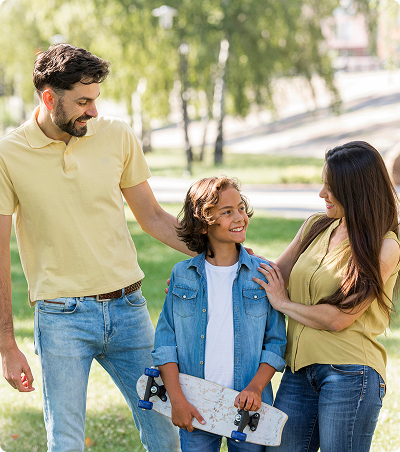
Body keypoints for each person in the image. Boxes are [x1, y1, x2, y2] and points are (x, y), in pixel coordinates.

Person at [0, 43, 192, 452]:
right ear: (49, 99)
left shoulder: (116, 134)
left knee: (166, 436)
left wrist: (221, 253)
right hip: (61, 319)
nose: (93, 110)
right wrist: (7, 345)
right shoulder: (9, 154)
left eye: (96, 99)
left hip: (129, 310)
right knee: (66, 443)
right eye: (83, 102)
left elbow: (153, 217)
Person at [253, 141, 400, 452]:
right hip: (298, 370)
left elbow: (338, 318)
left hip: (350, 373)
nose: (322, 194)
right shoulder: (316, 226)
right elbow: (272, 275)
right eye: (323, 183)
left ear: (356, 190)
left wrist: (283, 304)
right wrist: (203, 278)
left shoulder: (386, 246)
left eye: (331, 188)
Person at [151, 176, 287, 452]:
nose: (239, 217)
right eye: (227, 212)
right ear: (203, 224)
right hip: (195, 403)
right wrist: (177, 400)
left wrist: (256, 388)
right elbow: (165, 344)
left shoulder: (262, 275)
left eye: (240, 208)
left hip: (249, 408)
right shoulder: (182, 275)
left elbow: (276, 342)